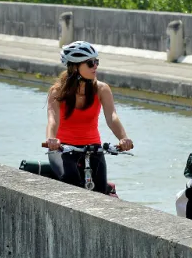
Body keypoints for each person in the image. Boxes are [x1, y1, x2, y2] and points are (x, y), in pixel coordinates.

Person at [45, 41, 134, 193]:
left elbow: (112, 117)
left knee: (100, 190)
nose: (95, 66)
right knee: (70, 179)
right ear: (74, 67)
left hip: (93, 148)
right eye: (90, 63)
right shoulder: (57, 92)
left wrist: (123, 138)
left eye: (96, 62)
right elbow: (53, 120)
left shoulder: (101, 89)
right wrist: (51, 140)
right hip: (63, 149)